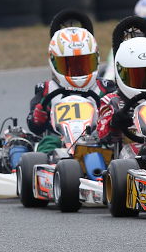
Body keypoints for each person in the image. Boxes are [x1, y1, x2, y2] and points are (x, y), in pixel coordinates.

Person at [27, 11, 113, 154]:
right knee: (47, 144)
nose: (77, 69)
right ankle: (53, 167)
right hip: (60, 143)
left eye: (83, 63)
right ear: (54, 62)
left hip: (99, 140)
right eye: (69, 65)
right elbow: (34, 126)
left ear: (96, 59)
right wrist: (37, 119)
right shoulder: (46, 89)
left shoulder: (105, 88)